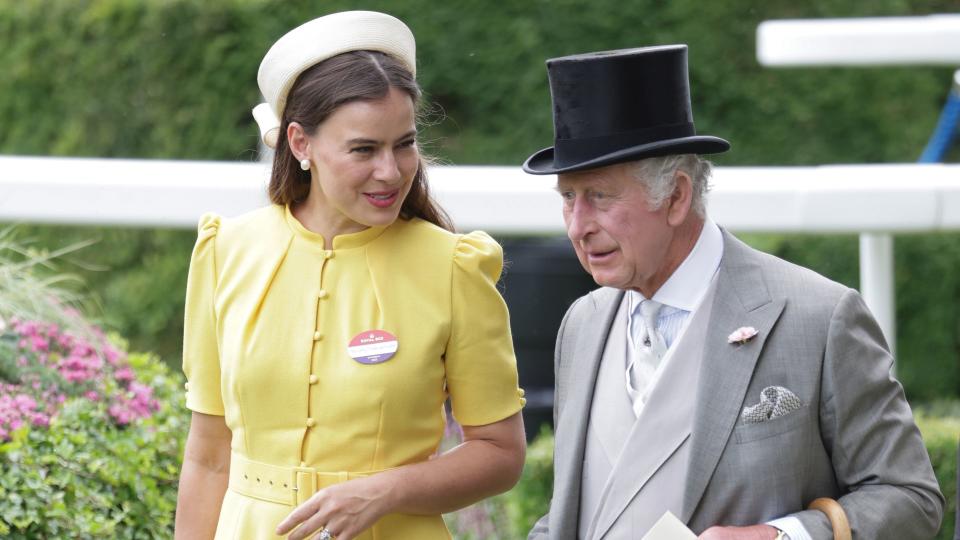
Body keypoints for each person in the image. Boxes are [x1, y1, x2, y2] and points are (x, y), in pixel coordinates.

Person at [524, 45, 944, 539]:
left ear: (677, 196)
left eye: (599, 196)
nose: (577, 227)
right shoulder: (582, 321)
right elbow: (574, 513)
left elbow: (910, 498)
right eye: (568, 199)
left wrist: (780, 536)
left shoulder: (820, 317)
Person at [174, 11, 526, 540]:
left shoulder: (455, 267)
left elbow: (500, 453)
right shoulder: (225, 250)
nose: (391, 171)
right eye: (364, 149)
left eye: (404, 144)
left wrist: (386, 491)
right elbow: (208, 457)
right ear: (300, 144)